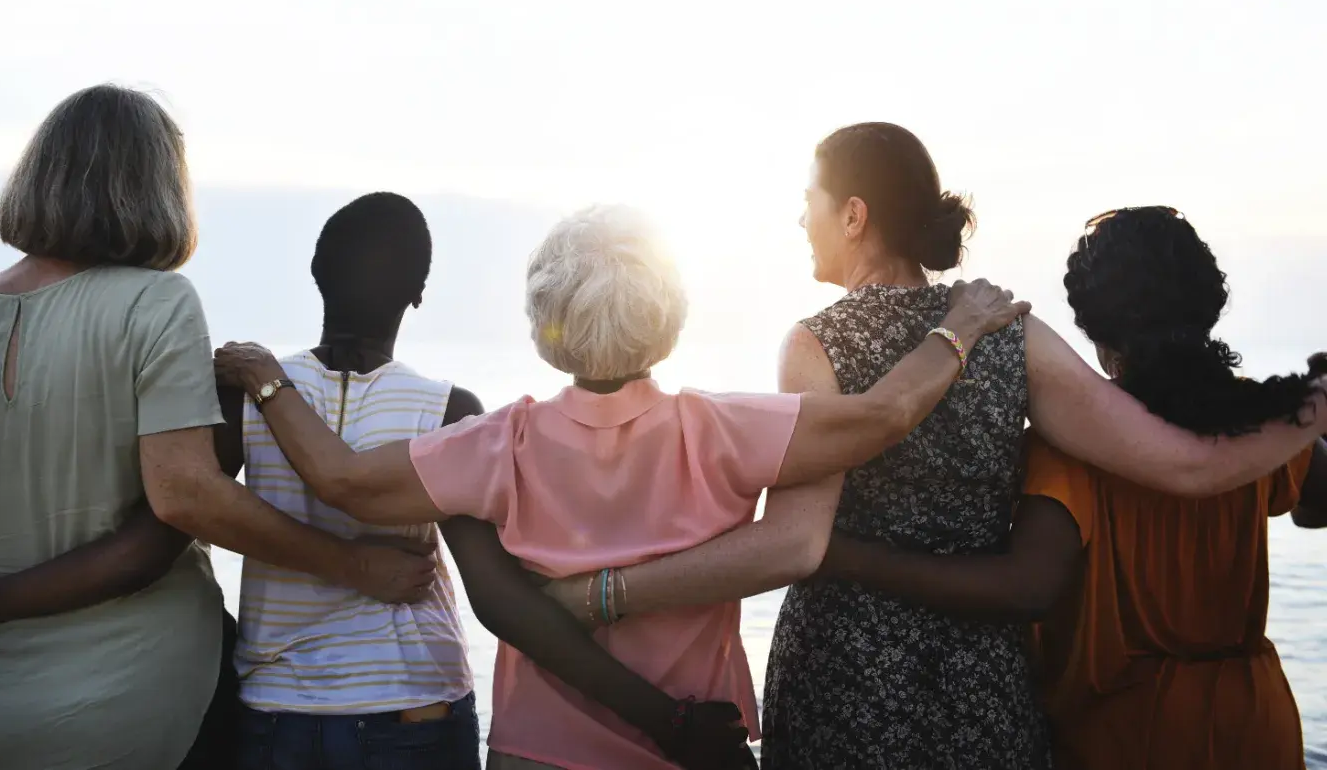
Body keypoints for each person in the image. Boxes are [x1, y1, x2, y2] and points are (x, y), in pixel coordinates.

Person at [525, 126, 1327, 769]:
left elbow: (800, 541)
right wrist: (1311, 406)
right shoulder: (1013, 331)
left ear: (854, 214)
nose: (798, 219)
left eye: (809, 199)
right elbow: (1183, 462)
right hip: (981, 680)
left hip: (846, 673)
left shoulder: (815, 343)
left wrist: (605, 593)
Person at [211, 201, 1036, 769]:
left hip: (537, 750)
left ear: (544, 319)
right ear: (668, 311)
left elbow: (342, 480)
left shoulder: (501, 442)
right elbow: (887, 415)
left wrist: (267, 381)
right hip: (695, 745)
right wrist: (956, 327)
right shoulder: (725, 430)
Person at [0, 84, 458, 770]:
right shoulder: (156, 302)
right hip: (146, 699)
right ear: (157, 187)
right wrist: (352, 564)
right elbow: (184, 497)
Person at [804, 206, 1326, 770]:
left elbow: (1027, 587)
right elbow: (1316, 507)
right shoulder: (1261, 423)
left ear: (1095, 330)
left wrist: (847, 557)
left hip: (1126, 734)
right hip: (1256, 725)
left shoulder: (1073, 447)